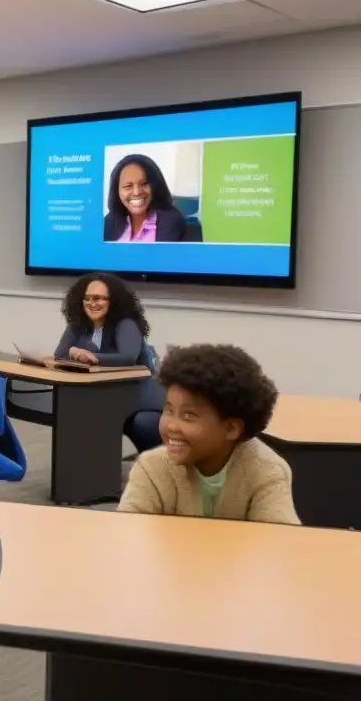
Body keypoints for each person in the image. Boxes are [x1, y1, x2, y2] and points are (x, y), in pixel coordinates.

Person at [118, 344, 298, 524]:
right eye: (168, 410)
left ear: (231, 429)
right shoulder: (151, 468)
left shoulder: (267, 471)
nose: (171, 425)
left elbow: (280, 542)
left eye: (189, 416)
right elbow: (127, 536)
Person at [55, 272, 164, 452]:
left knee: (141, 424)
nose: (92, 303)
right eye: (87, 298)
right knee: (79, 414)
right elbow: (60, 354)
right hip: (104, 396)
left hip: (139, 398)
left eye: (98, 298)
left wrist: (93, 357)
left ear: (113, 301)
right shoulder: (78, 323)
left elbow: (127, 358)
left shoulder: (127, 323)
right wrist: (74, 352)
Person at [103, 154, 195, 243]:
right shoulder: (108, 223)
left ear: (155, 186)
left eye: (144, 183)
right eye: (128, 186)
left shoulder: (172, 222)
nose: (137, 192)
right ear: (117, 191)